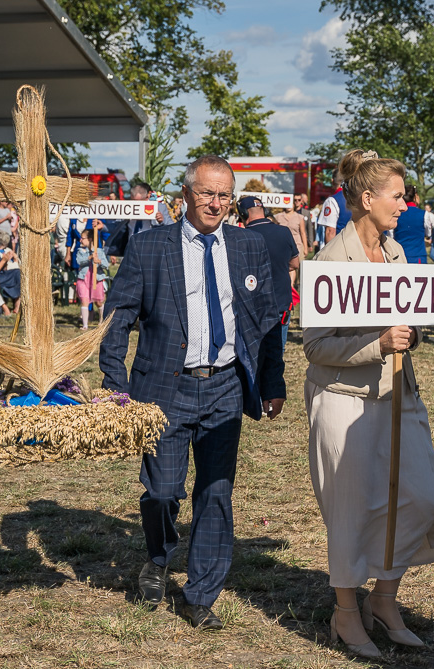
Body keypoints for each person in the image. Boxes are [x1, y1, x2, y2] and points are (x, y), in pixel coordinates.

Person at [99, 155, 284, 631]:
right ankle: (158, 556)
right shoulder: (150, 246)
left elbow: (266, 321)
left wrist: (272, 382)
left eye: (224, 195)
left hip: (224, 386)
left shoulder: (248, 245)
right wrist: (114, 383)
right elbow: (117, 317)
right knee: (162, 491)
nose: (215, 204)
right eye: (206, 193)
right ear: (185, 194)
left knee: (216, 492)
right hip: (164, 387)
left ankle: (200, 594)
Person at [304, 148, 434, 659]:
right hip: (344, 400)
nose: (405, 205)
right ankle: (345, 613)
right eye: (398, 196)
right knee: (352, 511)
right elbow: (316, 347)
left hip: (399, 395)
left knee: (420, 497)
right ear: (366, 198)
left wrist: (411, 334)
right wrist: (377, 344)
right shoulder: (330, 261)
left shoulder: (397, 252)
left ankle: (383, 599)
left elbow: (409, 318)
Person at [239, 194, 299, 352]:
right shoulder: (284, 232)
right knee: (277, 354)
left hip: (254, 307)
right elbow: (295, 263)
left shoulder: (242, 236)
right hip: (281, 304)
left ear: (244, 214)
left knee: (253, 355)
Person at [73, 227, 108, 329]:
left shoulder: (99, 251)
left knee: (98, 302)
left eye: (83, 238)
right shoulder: (80, 251)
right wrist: (89, 258)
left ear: (90, 239)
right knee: (84, 300)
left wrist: (99, 261)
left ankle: (102, 320)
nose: (80, 240)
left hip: (96, 279)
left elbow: (106, 265)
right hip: (84, 279)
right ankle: (85, 325)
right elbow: (79, 261)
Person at [392, 186, 431, 263]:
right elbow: (428, 233)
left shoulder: (396, 214)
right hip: (418, 255)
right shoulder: (424, 214)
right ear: (415, 196)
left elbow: (391, 235)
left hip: (400, 255)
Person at [317, 172, 351, 245]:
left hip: (339, 245)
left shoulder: (332, 200)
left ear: (332, 180)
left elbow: (330, 231)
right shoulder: (354, 197)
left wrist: (329, 250)